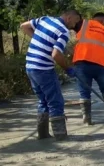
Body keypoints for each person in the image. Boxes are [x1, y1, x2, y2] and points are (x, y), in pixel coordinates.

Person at [20, 10, 82, 141]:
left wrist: (40, 41)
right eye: (74, 22)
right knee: (56, 102)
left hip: (30, 66)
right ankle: (61, 136)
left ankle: (43, 135)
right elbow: (56, 55)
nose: (73, 26)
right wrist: (68, 69)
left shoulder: (44, 19)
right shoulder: (63, 32)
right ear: (69, 17)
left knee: (43, 101)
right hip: (44, 69)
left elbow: (23, 26)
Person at [72, 12, 104, 125]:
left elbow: (69, 26)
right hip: (100, 65)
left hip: (82, 63)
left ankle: (87, 119)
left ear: (93, 19)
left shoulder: (83, 23)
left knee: (84, 92)